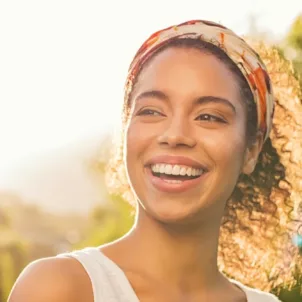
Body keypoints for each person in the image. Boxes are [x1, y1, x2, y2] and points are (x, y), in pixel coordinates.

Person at [8, 20, 301, 302]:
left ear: (251, 149)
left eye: (209, 116)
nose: (174, 135)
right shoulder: (60, 289)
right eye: (151, 111)